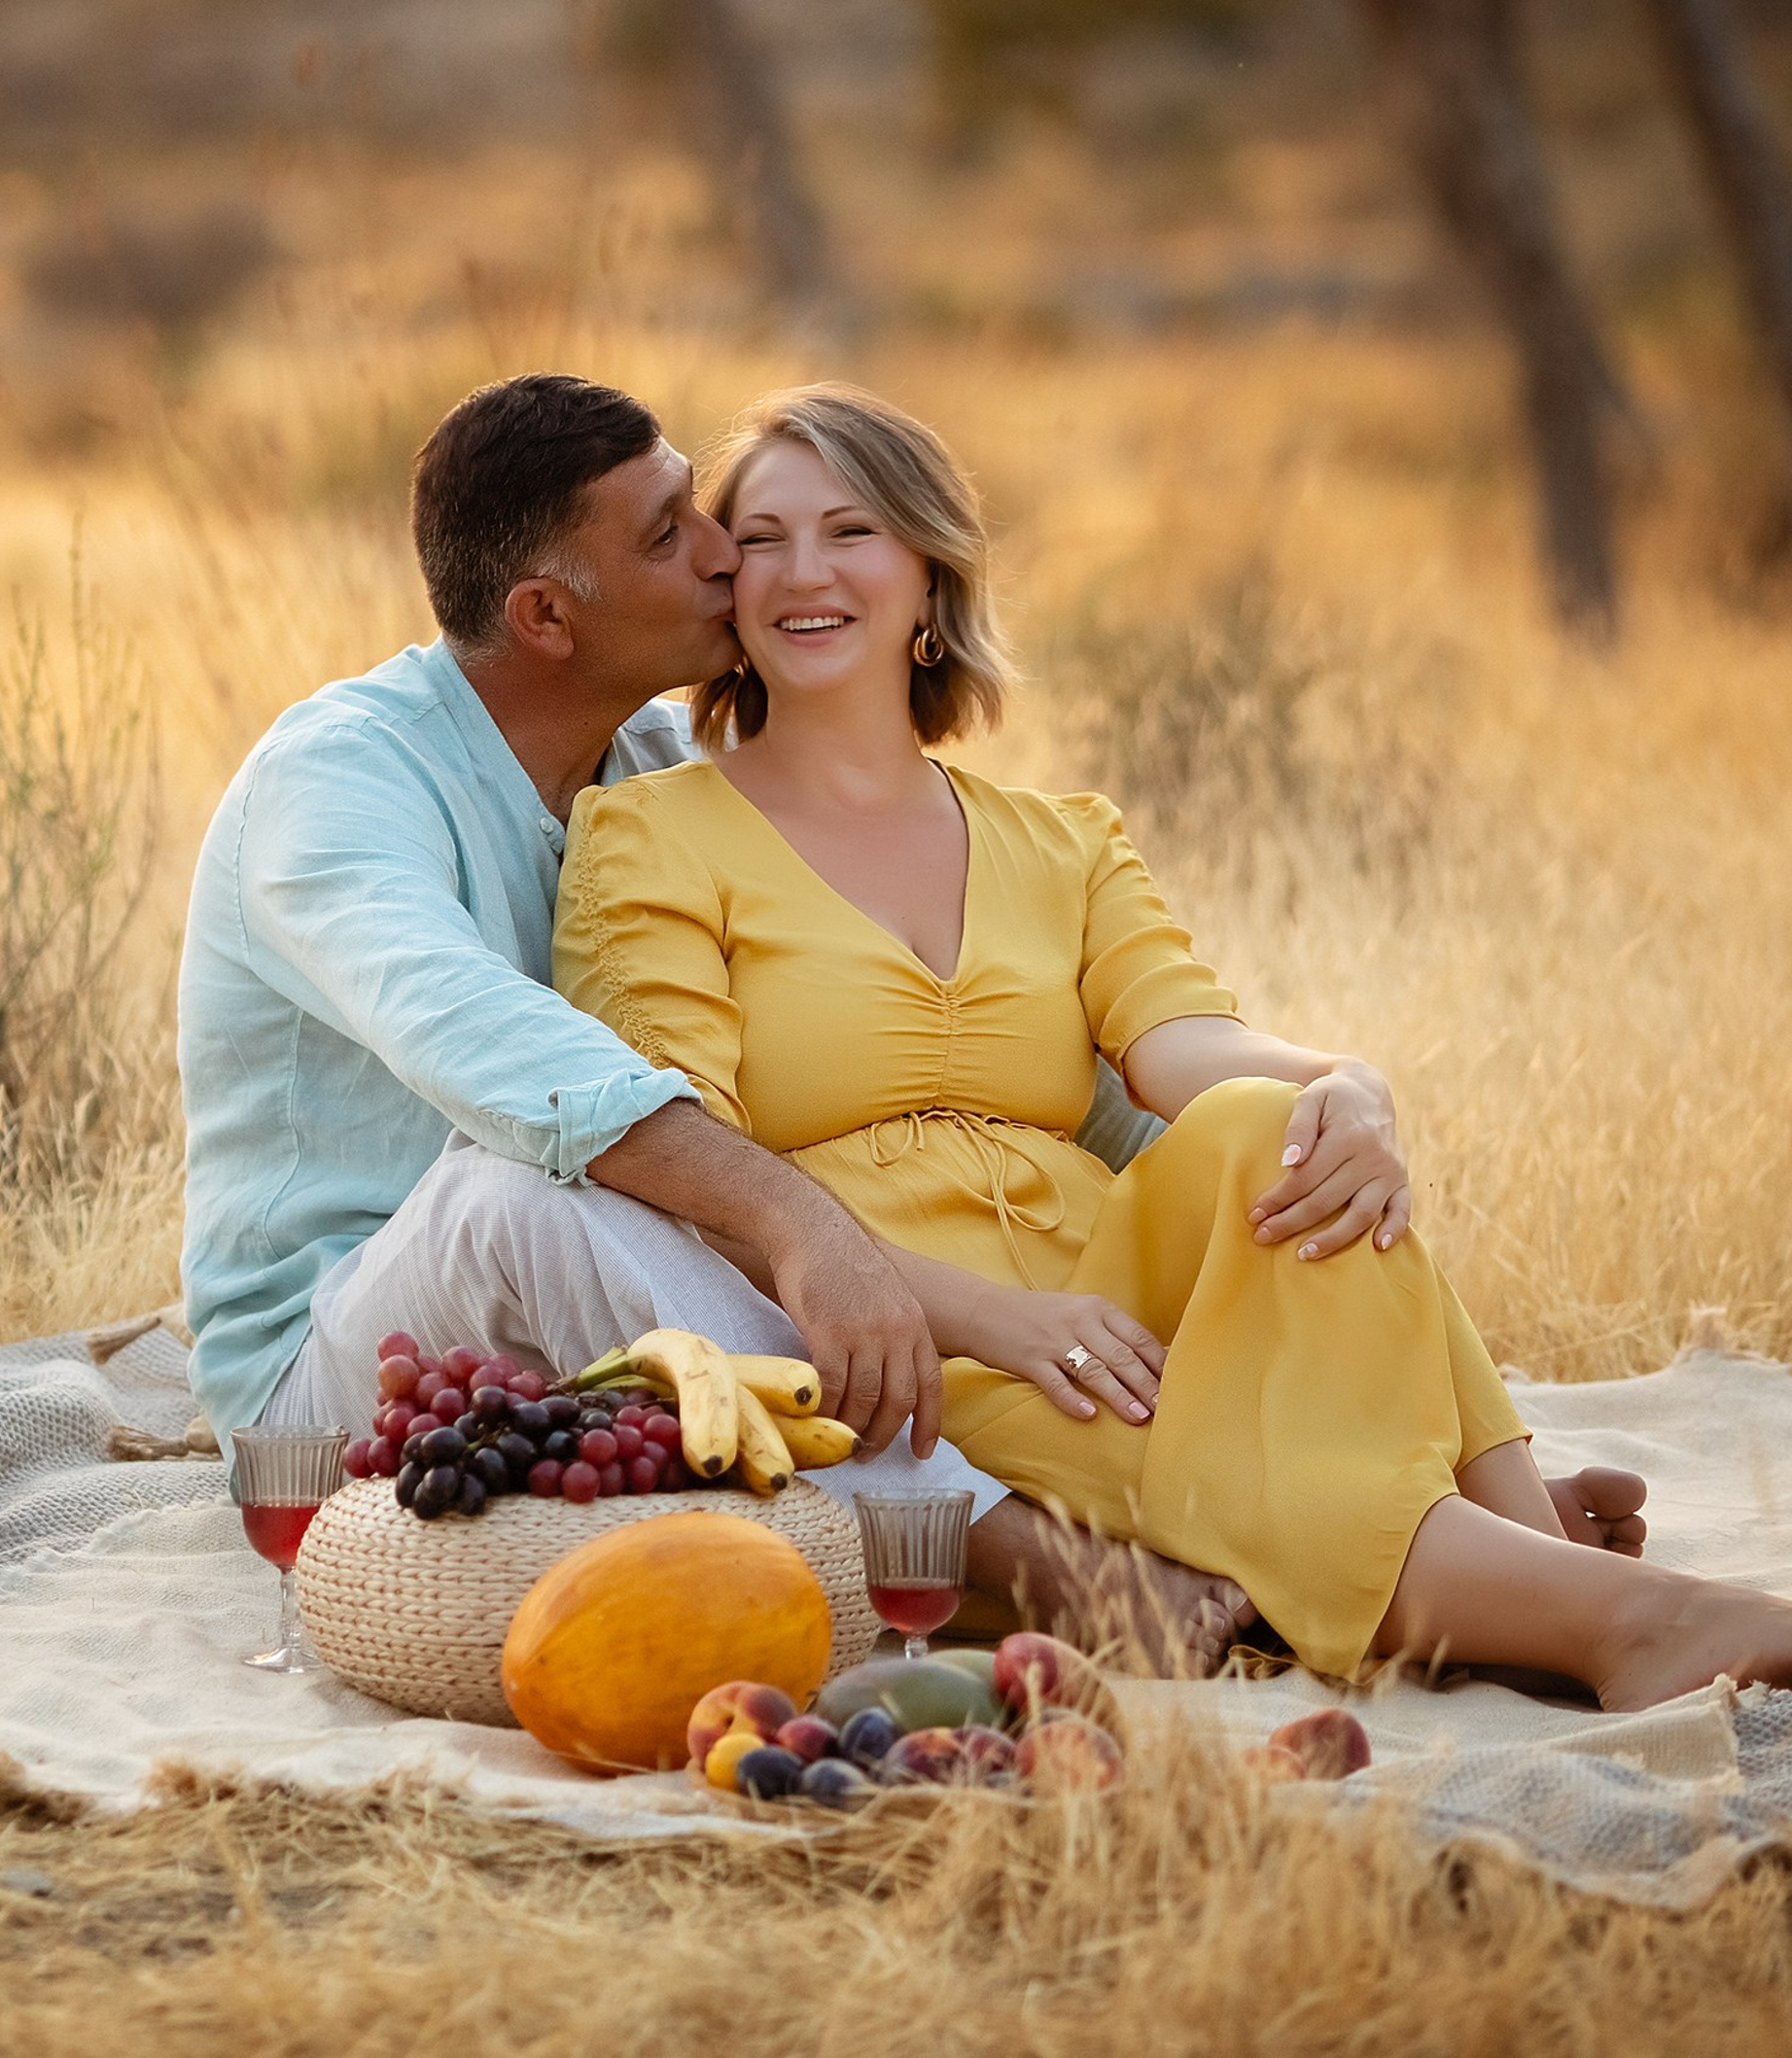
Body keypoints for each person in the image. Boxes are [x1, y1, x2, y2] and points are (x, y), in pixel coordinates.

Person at [549, 382, 1786, 1710]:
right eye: (763, 540)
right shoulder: (649, 838)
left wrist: (1349, 1086)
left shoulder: (1066, 840)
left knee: (1278, 1133)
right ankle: (1581, 1594)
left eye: (850, 532)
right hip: (910, 1335)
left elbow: (1186, 1043)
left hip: (1114, 1286)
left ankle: (1513, 1573)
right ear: (728, 591)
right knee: (1236, 1454)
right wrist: (1002, 1321)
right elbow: (700, 1178)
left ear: (929, 577)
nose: (804, 573)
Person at [179, 371, 1251, 1668]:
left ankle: (1286, 1500)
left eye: (698, 505)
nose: (723, 552)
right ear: (545, 616)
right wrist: (806, 1229)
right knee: (520, 1193)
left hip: (609, 1335)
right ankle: (1014, 1557)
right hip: (339, 1375)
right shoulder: (339, 782)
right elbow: (495, 1049)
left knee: (724, 1185)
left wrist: (1230, 1155)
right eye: (666, 534)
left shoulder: (658, 772)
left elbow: (903, 1033)